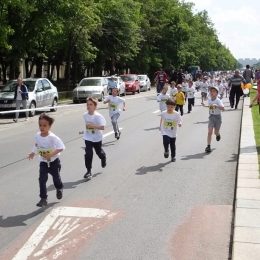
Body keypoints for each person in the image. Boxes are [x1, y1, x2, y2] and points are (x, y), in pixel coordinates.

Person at [28, 113, 65, 207]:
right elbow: (37, 144)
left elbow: (61, 147)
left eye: (44, 125)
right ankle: (43, 198)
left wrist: (51, 155)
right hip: (43, 162)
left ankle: (59, 188)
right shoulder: (38, 135)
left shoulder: (52, 137)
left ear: (50, 126)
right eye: (40, 125)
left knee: (56, 178)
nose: (42, 127)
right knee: (42, 179)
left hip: (54, 162)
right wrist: (33, 152)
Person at [79, 97, 107, 180]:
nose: (88, 106)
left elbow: (102, 127)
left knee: (99, 152)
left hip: (97, 138)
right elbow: (87, 125)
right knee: (88, 153)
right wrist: (83, 131)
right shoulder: (85, 115)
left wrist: (93, 126)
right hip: (88, 137)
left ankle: (103, 157)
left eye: (91, 104)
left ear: (95, 106)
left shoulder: (98, 116)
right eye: (87, 104)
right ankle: (88, 171)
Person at [201, 86, 225, 153]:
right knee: (209, 131)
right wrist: (205, 105)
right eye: (211, 91)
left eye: (214, 91)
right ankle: (208, 146)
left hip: (218, 117)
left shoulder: (218, 100)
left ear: (217, 93)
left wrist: (217, 106)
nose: (212, 92)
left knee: (216, 132)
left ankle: (218, 134)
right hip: (211, 117)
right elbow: (210, 106)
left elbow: (223, 108)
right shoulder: (209, 99)